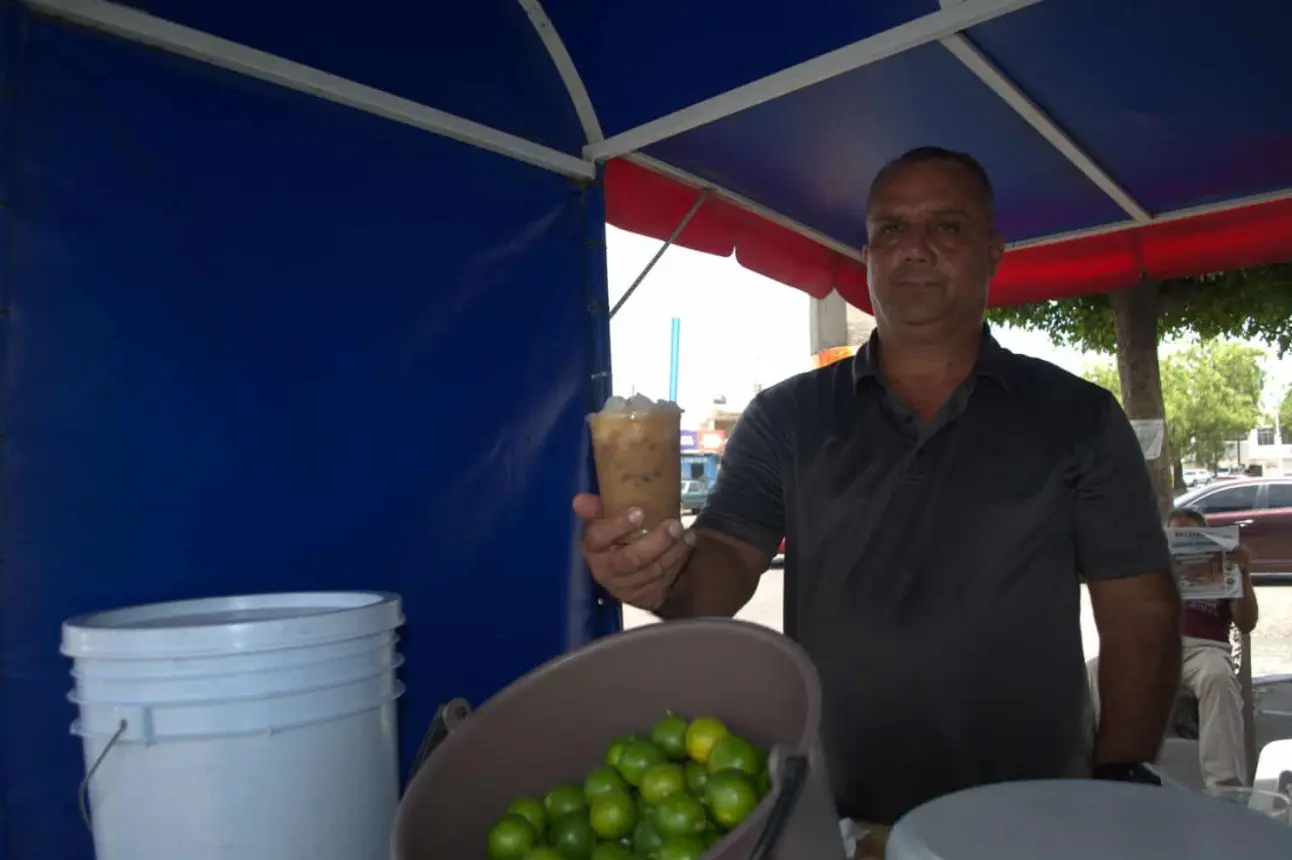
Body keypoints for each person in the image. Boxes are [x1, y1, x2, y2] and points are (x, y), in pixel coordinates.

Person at [573, 146, 1182, 825]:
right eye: (890, 230)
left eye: (946, 227)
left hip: (1032, 818)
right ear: (867, 255)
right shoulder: (787, 417)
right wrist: (655, 578)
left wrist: (1122, 777)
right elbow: (722, 570)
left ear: (993, 250)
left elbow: (1140, 614)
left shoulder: (1079, 418)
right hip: (840, 818)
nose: (913, 249)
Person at [1089, 506, 1258, 788]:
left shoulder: (1225, 565)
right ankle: (1104, 767)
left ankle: (1225, 785)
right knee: (1096, 669)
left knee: (1217, 677)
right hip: (1157, 647)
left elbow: (1247, 623)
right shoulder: (1153, 573)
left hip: (1206, 650)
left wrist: (1243, 573)